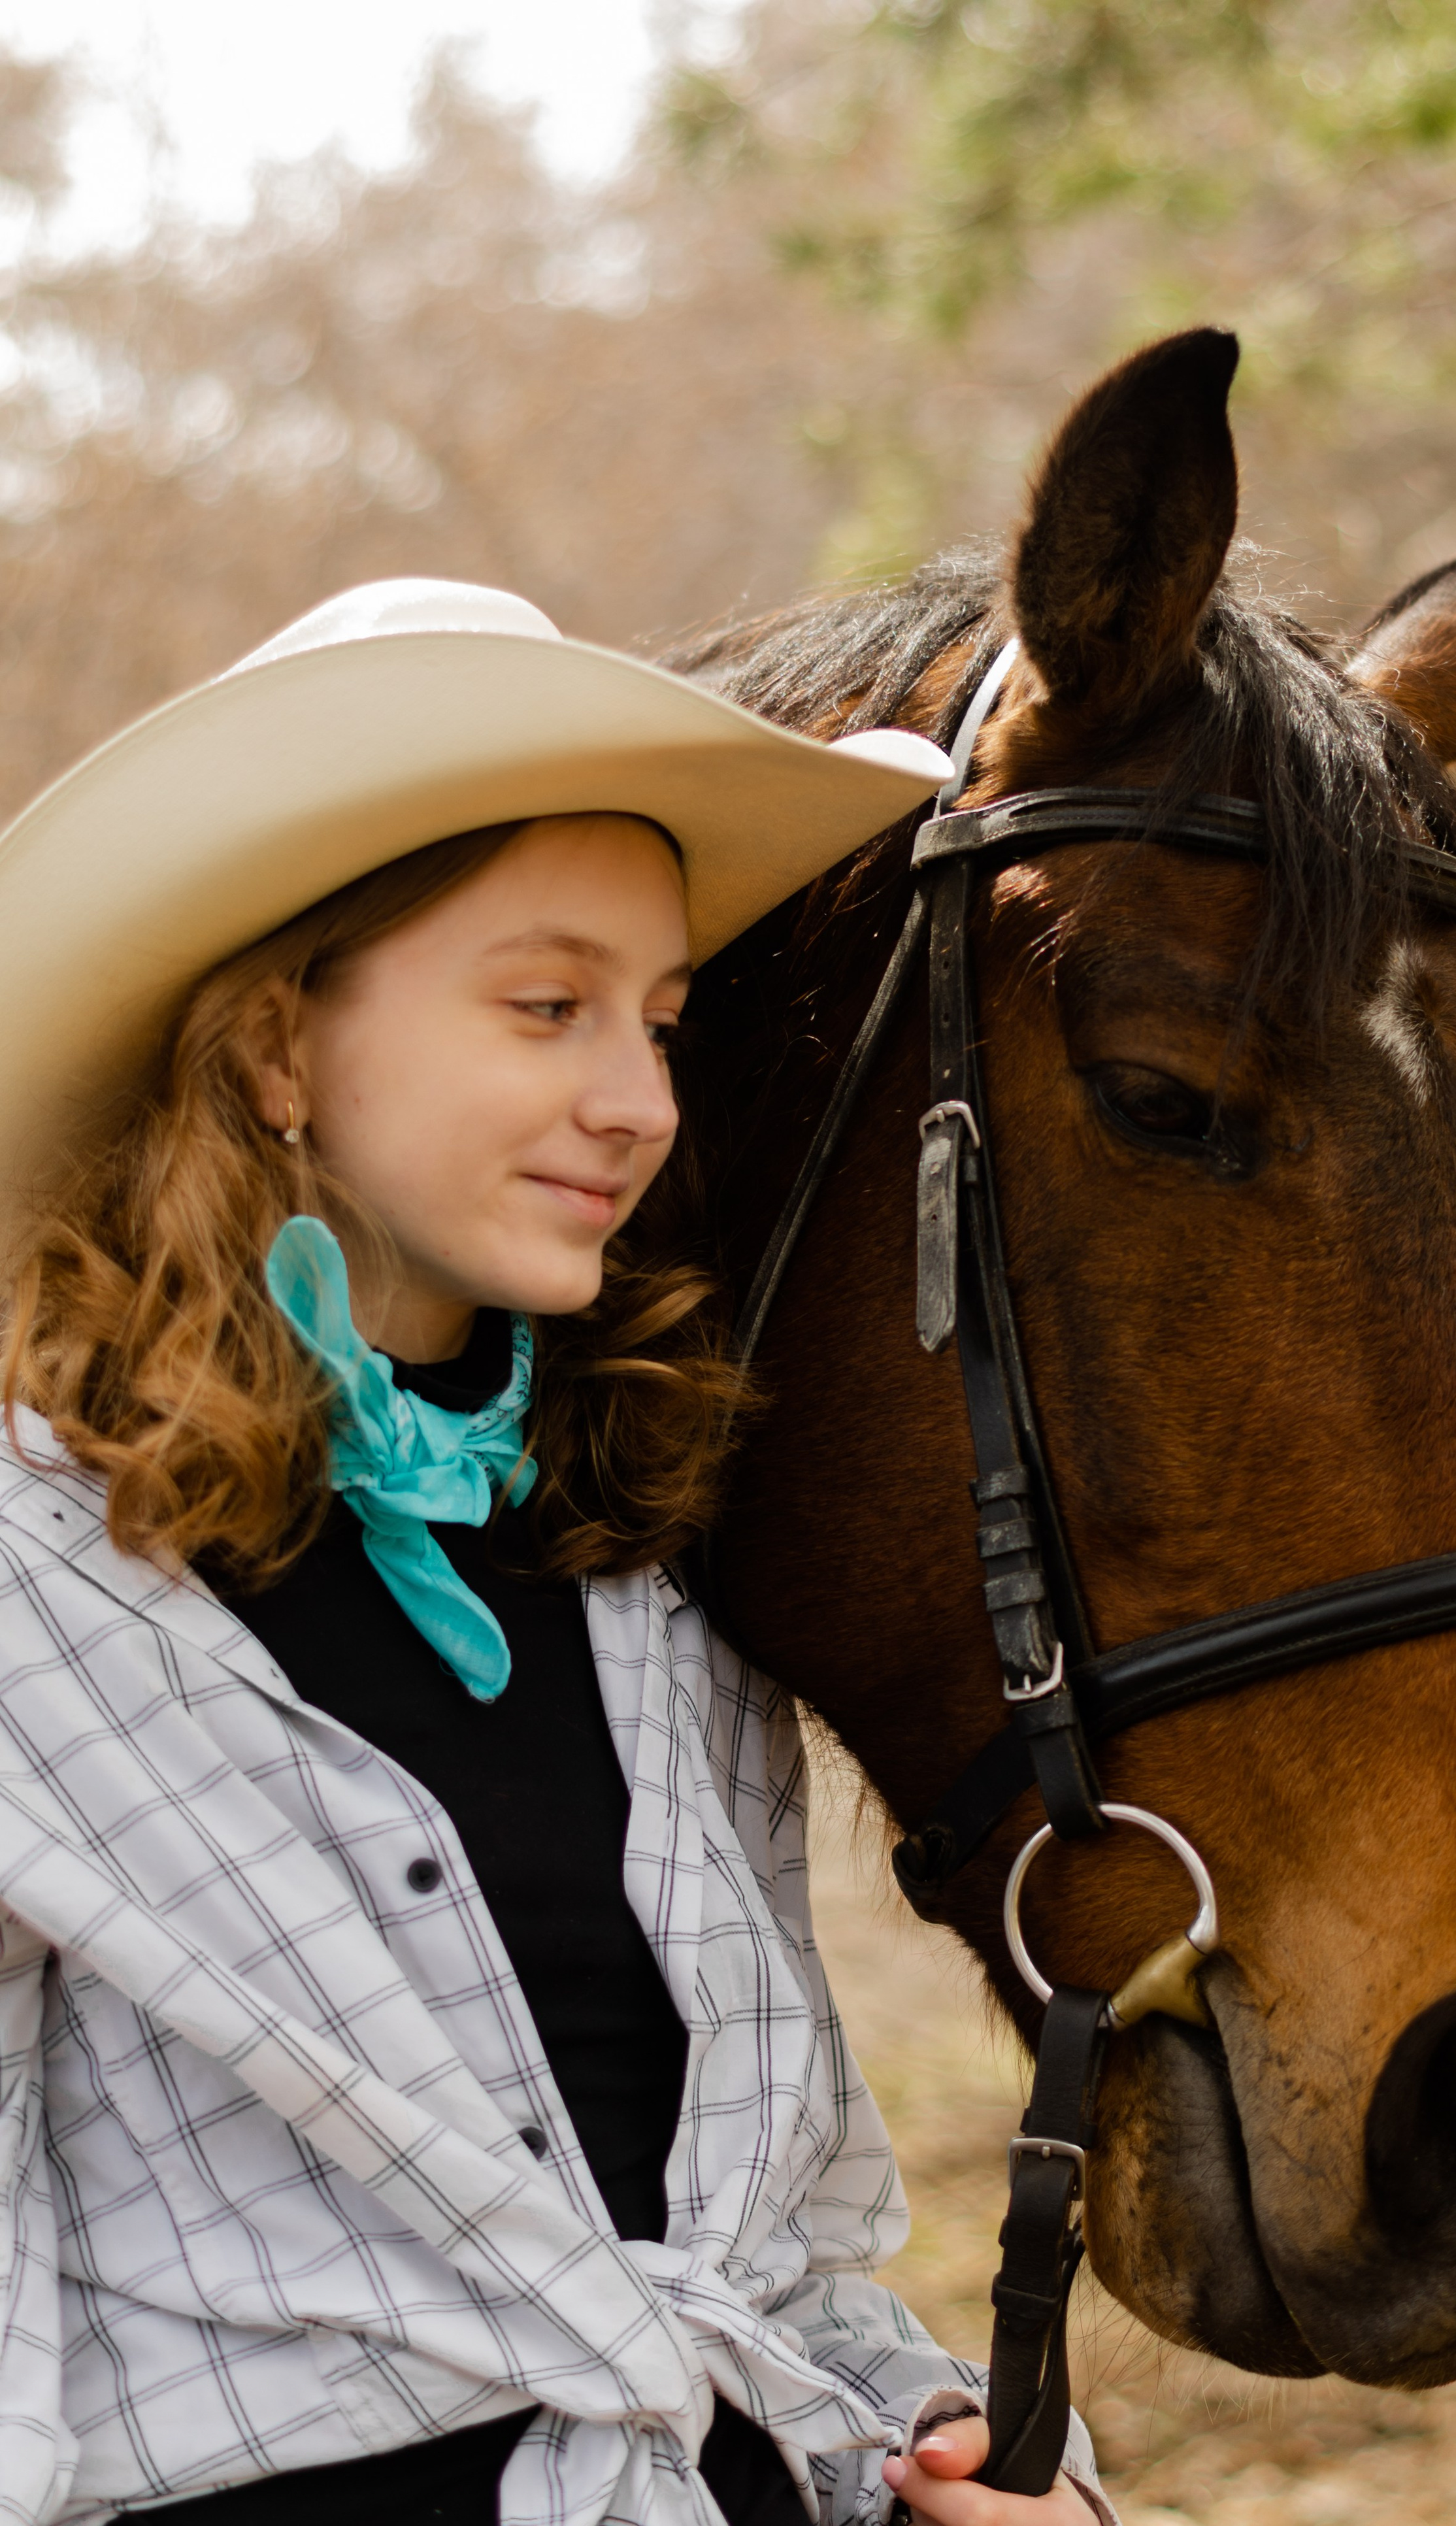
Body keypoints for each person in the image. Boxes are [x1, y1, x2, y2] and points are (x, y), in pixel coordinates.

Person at [0, 582, 1115, 2526]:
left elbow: (756, 2264)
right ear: (275, 1047)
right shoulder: (42, 1591)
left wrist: (949, 2459)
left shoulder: (644, 1567)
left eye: (660, 1022)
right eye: (547, 1006)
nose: (639, 1101)